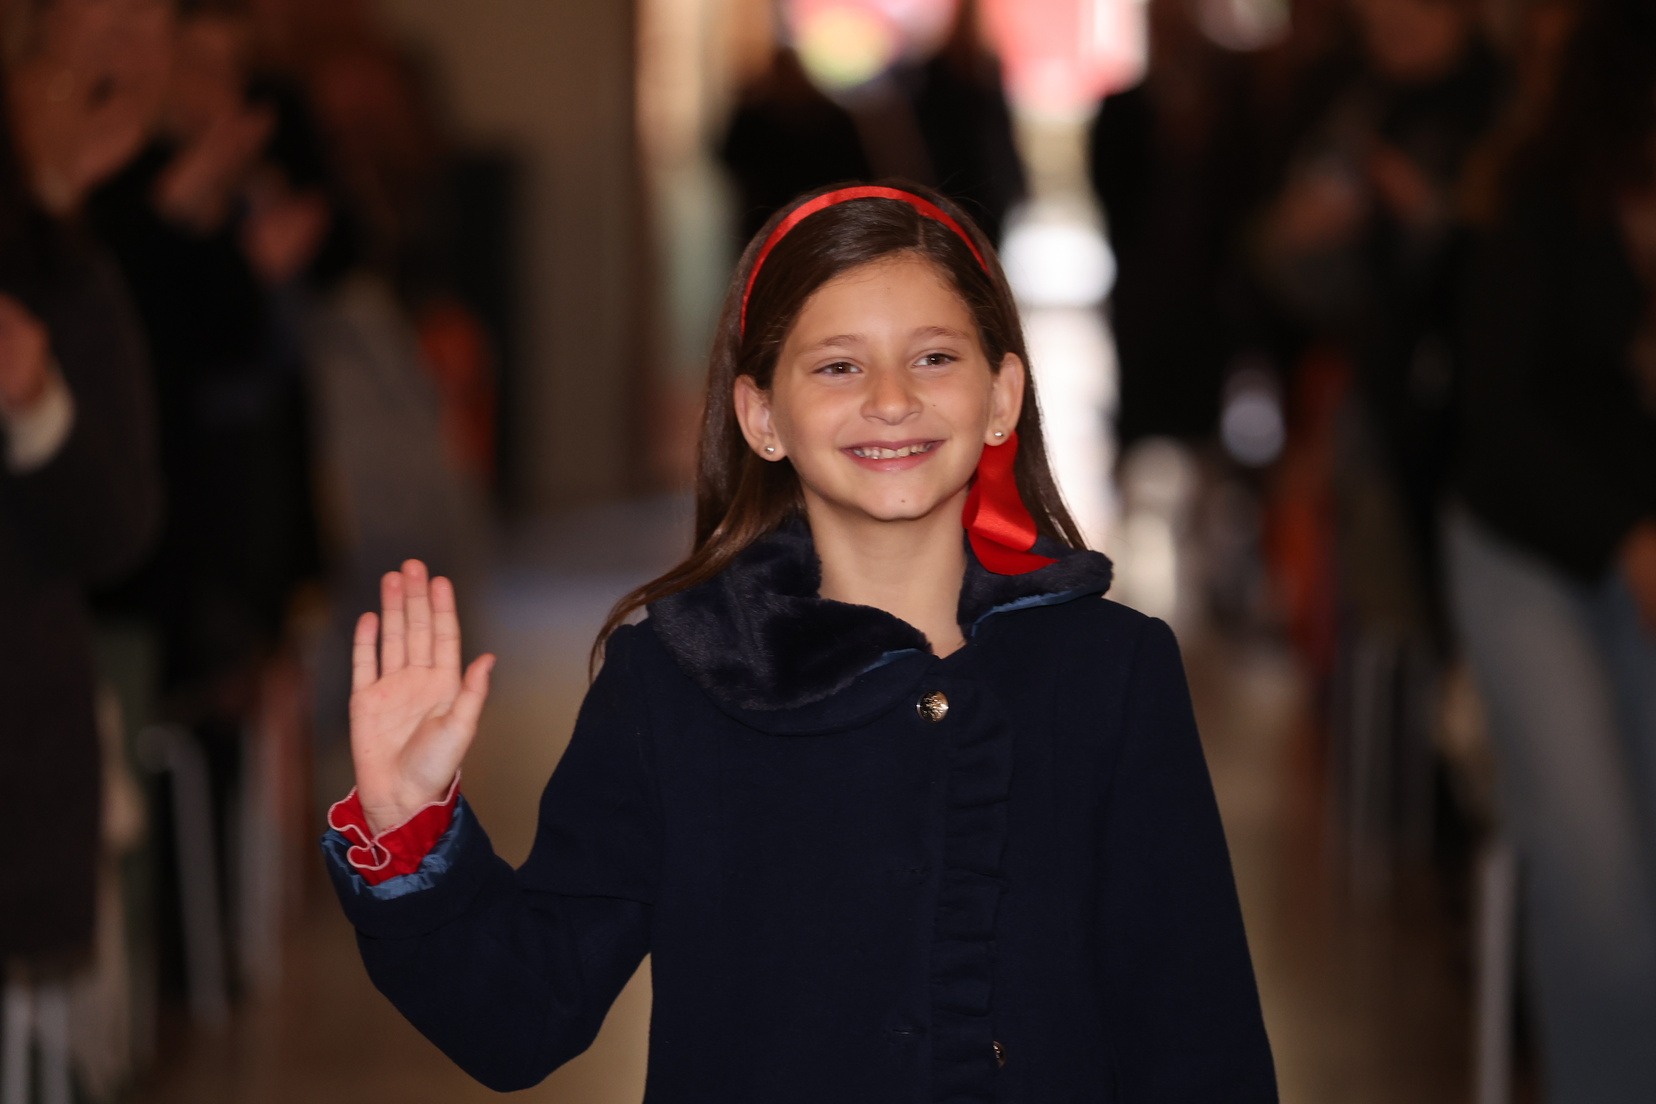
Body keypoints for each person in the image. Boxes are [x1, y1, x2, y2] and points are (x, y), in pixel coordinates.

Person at [321, 182, 1277, 1101]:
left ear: (1002, 396)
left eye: (934, 357)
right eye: (838, 366)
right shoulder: (674, 683)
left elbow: (1197, 1032)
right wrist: (410, 828)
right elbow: (520, 1017)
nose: (891, 399)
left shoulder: (1112, 669)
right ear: (761, 417)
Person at [1447, 0, 1656, 1098]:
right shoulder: (1543, 197)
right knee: (1599, 890)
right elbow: (1501, 415)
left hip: (1635, 554)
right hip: (1528, 550)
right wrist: (1624, 536)